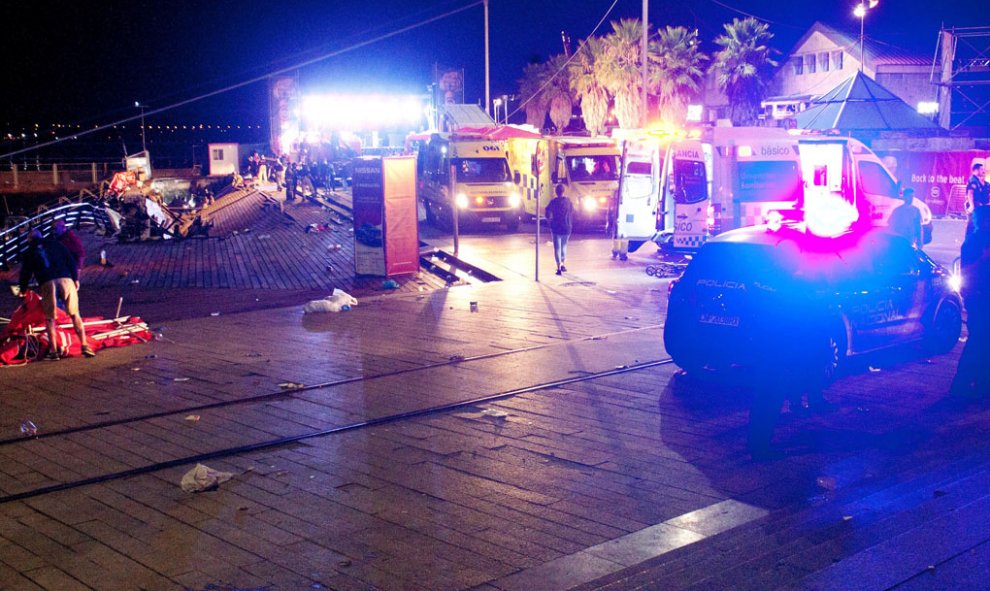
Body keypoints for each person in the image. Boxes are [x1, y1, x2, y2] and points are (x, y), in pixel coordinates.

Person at [18, 230, 95, 360]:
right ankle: (84, 345)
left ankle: (53, 351)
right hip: (66, 279)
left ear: (29, 240)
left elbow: (26, 272)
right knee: (75, 314)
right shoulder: (56, 244)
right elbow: (70, 260)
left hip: (47, 282)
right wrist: (75, 279)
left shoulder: (29, 251)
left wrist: (23, 288)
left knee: (50, 318)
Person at [951, 206, 990, 397]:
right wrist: (983, 259)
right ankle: (962, 384)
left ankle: (982, 383)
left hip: (983, 295)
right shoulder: (973, 242)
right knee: (978, 339)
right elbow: (966, 270)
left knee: (984, 341)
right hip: (978, 296)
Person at [545, 183, 573, 275]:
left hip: (556, 227)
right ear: (563, 191)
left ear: (556, 192)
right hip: (566, 227)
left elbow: (547, 211)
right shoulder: (568, 202)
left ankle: (558, 268)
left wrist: (549, 220)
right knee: (564, 246)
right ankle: (563, 264)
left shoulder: (553, 202)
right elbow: (573, 211)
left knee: (557, 248)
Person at [965, 162, 990, 235]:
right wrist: (972, 206)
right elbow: (970, 193)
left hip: (982, 206)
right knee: (972, 224)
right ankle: (969, 242)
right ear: (976, 170)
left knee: (981, 224)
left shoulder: (985, 183)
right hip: (975, 206)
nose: (983, 171)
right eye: (981, 169)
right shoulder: (973, 180)